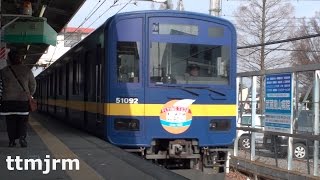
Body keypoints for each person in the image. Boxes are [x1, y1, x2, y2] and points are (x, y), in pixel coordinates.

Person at [0, 49, 36, 147]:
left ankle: (12, 141)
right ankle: (22, 138)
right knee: (23, 121)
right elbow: (33, 85)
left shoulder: (3, 71)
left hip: (7, 101)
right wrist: (28, 94)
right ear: (20, 59)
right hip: (23, 101)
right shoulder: (27, 70)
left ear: (9, 60)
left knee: (10, 121)